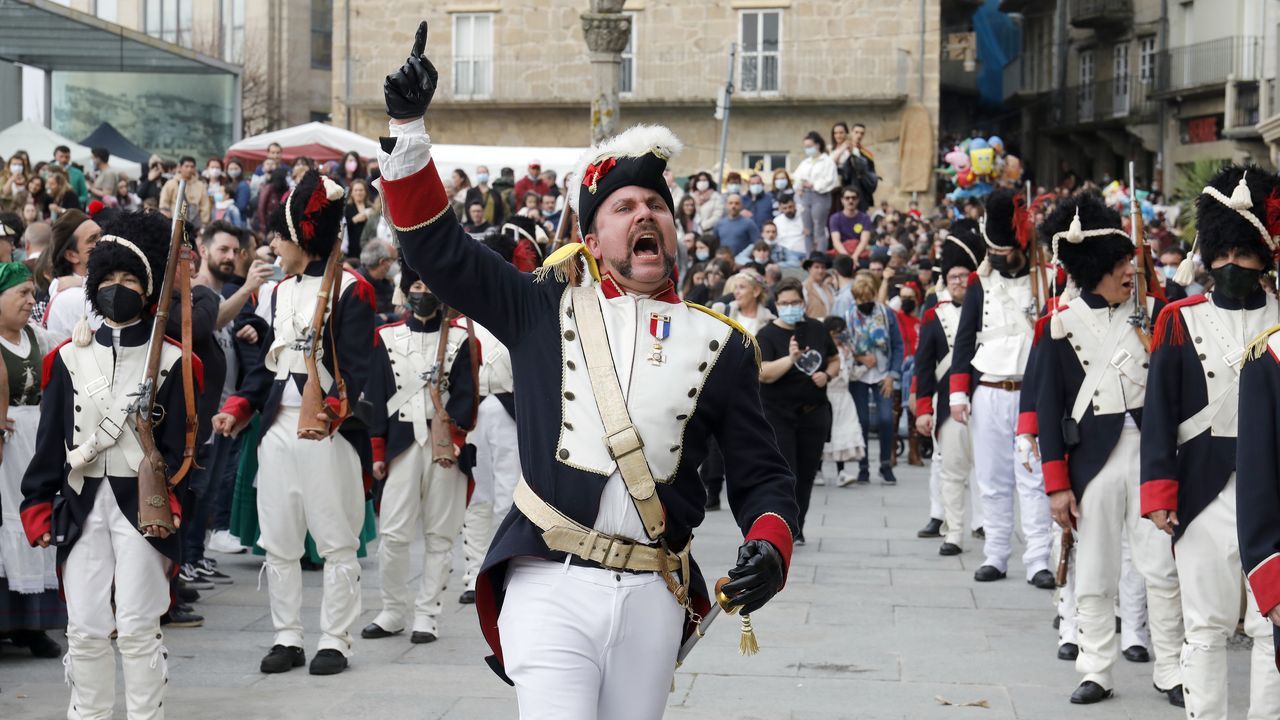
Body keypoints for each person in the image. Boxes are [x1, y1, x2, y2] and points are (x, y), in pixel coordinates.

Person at [376, 26, 797, 717]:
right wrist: (408, 128)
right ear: (593, 237)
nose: (645, 215)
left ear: (675, 229)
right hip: (548, 583)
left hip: (653, 594)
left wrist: (770, 546)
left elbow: (762, 475)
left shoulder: (719, 344)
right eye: (625, 207)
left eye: (656, 205)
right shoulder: (541, 305)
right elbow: (436, 251)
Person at [21, 210, 193, 720]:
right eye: (110, 279)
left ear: (148, 288)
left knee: (140, 627)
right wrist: (38, 504)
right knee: (86, 629)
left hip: (144, 508)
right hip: (81, 503)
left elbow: (184, 451)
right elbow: (51, 442)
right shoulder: (67, 360)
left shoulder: (175, 361)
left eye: (131, 279)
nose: (119, 288)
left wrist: (174, 503)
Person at [211, 170, 376, 677]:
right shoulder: (278, 293)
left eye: (279, 236)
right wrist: (237, 409)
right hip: (277, 427)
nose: (273, 245)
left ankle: (335, 638)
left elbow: (358, 370)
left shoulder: (353, 290)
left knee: (335, 540)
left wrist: (331, 412)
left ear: (302, 237)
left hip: (326, 429)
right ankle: (287, 634)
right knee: (279, 539)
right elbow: (265, 371)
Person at [1034, 194, 1183, 706]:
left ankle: (1171, 670)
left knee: (1161, 570)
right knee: (1094, 574)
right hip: (1091, 463)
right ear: (1097, 268)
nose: (1130, 270)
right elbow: (1048, 409)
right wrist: (1056, 485)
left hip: (1149, 455)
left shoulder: (1157, 315)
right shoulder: (1059, 324)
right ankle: (1096, 668)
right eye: (1121, 263)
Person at [1142, 165, 1280, 719]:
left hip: (1271, 494)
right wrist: (1159, 492)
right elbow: (1159, 413)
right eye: (1221, 253)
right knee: (1204, 628)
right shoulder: (1178, 320)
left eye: (1243, 254)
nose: (1230, 265)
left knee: (1272, 625)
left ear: (1264, 254)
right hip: (1203, 491)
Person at [362, 265, 475, 644]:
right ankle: (393, 610)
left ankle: (427, 614)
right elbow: (377, 397)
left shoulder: (462, 340)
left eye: (428, 283)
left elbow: (466, 396)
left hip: (445, 447)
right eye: (415, 283)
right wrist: (378, 449)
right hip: (400, 445)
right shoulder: (386, 336)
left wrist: (455, 441)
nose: (420, 291)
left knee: (440, 537)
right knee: (393, 535)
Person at [948, 188, 1053, 588]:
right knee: (991, 479)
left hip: (1032, 390)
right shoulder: (979, 283)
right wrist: (958, 392)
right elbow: (964, 338)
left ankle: (1039, 558)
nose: (994, 256)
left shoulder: (1045, 281)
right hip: (988, 388)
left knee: (1035, 479)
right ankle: (995, 554)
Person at [0, 263, 64, 660]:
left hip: (35, 445)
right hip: (4, 451)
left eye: (31, 292)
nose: (30, 300)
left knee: (35, 521)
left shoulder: (39, 338)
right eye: (21, 293)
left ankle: (34, 625)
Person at [914, 220, 985, 550]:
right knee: (950, 469)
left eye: (963, 277)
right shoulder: (934, 312)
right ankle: (951, 529)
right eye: (953, 277)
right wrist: (924, 408)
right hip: (946, 404)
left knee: (986, 473)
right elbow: (924, 365)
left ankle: (983, 524)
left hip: (984, 398)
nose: (958, 283)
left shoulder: (988, 307)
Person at [458, 234, 521, 605]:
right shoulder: (462, 311)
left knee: (509, 494)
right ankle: (472, 571)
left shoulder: (514, 308)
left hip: (508, 409)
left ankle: (503, 568)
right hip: (473, 411)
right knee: (475, 496)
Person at [758, 277, 837, 543]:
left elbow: (835, 359)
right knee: (786, 473)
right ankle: (784, 525)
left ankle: (798, 526)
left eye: (795, 302)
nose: (791, 307)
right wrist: (790, 359)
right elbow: (764, 374)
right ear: (777, 305)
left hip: (813, 413)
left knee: (806, 473)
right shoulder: (767, 335)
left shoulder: (816, 328)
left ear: (803, 303)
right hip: (778, 415)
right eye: (785, 303)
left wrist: (827, 374)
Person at [846, 272, 903, 485]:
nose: (864, 303)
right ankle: (863, 467)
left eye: (868, 298)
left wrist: (892, 376)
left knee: (887, 419)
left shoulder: (887, 314)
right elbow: (842, 344)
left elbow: (898, 345)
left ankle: (886, 464)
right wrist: (860, 356)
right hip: (858, 374)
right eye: (860, 300)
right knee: (862, 420)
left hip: (883, 373)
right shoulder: (848, 315)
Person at [819, 314, 865, 485]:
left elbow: (850, 373)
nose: (838, 337)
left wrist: (863, 367)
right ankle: (818, 470)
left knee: (842, 432)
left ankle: (842, 471)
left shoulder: (845, 350)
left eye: (840, 333)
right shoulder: (823, 350)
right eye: (835, 333)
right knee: (825, 433)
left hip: (844, 397)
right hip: (828, 395)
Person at [42, 209, 100, 343]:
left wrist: (84, 282)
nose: (103, 241)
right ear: (71, 255)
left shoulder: (81, 287)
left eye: (102, 234)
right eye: (93, 239)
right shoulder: (77, 297)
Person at [791, 131, 839, 253]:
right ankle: (809, 256)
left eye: (809, 146)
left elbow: (830, 181)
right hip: (804, 196)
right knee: (807, 230)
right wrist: (799, 187)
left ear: (817, 145)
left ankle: (820, 257)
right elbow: (796, 178)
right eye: (805, 147)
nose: (807, 149)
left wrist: (813, 184)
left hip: (820, 196)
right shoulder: (805, 162)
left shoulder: (827, 161)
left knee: (819, 228)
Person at [160, 156, 212, 228]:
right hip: (174, 224)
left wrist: (204, 224)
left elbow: (205, 206)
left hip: (194, 225)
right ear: (180, 167)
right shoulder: (171, 183)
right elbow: (164, 204)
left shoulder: (200, 185)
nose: (189, 169)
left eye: (192, 167)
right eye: (186, 166)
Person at [358, 238, 401, 327]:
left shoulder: (386, 284)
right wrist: (386, 318)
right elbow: (362, 321)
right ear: (383, 262)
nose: (395, 265)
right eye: (393, 260)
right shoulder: (355, 284)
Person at [829, 187, 873, 257]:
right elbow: (836, 242)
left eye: (853, 198)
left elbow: (864, 241)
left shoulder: (865, 218)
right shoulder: (835, 218)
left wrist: (855, 256)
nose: (850, 200)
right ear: (842, 200)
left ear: (858, 200)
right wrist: (847, 258)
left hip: (859, 253)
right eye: (847, 198)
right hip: (842, 253)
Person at [344, 178, 373, 261]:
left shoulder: (371, 207)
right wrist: (353, 220)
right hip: (352, 249)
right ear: (352, 193)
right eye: (356, 190)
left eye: (361, 190)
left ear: (365, 192)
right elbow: (342, 229)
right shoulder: (347, 209)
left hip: (369, 247)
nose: (358, 193)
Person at [802, 252, 834, 320]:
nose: (820, 271)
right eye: (816, 267)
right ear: (809, 269)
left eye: (823, 267)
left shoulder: (829, 288)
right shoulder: (804, 288)